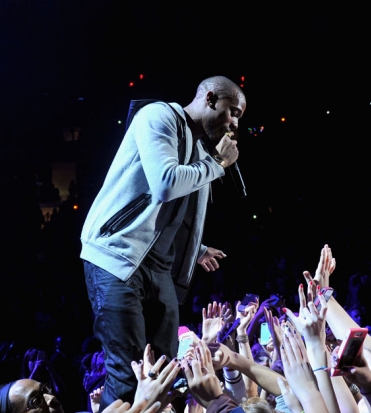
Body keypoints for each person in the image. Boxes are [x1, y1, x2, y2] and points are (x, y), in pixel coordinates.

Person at [79, 76, 247, 411]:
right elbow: (166, 185)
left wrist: (196, 250)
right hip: (118, 254)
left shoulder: (199, 148)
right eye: (234, 112)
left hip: (158, 265)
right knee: (130, 373)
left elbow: (172, 214)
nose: (235, 123)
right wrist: (216, 163)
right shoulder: (158, 117)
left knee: (166, 370)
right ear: (211, 98)